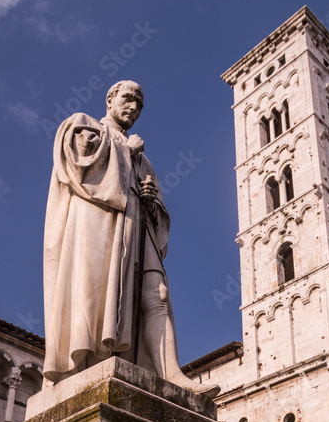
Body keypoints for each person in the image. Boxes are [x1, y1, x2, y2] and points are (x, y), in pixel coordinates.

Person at [43, 79, 219, 397]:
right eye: (127, 99)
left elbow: (157, 215)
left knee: (159, 293)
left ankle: (172, 374)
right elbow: (78, 162)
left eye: (139, 104)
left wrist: (152, 201)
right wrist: (124, 149)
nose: (133, 107)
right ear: (110, 99)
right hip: (98, 231)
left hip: (138, 233)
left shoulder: (143, 159)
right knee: (91, 293)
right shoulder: (85, 125)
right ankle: (84, 364)